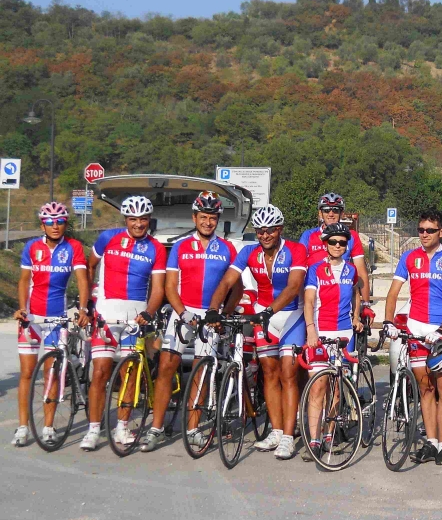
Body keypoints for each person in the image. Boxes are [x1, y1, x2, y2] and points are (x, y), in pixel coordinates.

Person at [209, 204, 308, 461]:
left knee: (288, 372)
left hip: (290, 315)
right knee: (268, 373)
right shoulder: (249, 253)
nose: (264, 235)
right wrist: (213, 309)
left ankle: (289, 436)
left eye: (270, 231)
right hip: (265, 316)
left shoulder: (296, 250)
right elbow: (228, 281)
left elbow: (295, 286)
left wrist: (269, 310)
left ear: (280, 230)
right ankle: (276, 430)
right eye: (260, 231)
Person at [141, 192, 238, 452]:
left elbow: (236, 288)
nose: (208, 222)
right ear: (194, 217)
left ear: (218, 220)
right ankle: (156, 428)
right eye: (203, 217)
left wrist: (223, 315)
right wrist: (183, 313)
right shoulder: (182, 246)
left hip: (211, 316)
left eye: (213, 218)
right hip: (182, 312)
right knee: (166, 368)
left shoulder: (228, 248)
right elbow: (170, 286)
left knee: (201, 372)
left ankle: (193, 428)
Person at [383, 209, 442, 468]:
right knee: (425, 389)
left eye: (430, 230)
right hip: (416, 330)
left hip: (441, 332)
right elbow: (393, 293)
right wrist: (388, 321)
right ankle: (431, 442)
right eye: (421, 230)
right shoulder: (409, 257)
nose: (424, 235)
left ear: (441, 232)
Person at [84, 196, 167, 451]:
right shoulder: (108, 237)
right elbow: (89, 266)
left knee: (129, 375)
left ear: (149, 220)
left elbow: (158, 288)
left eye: (143, 219)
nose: (139, 224)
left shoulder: (156, 248)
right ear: (125, 219)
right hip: (106, 315)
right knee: (99, 372)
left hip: (135, 318)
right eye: (133, 219)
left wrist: (150, 312)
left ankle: (122, 426)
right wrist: (88, 302)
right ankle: (94, 429)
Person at [11, 203, 89, 447]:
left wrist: (84, 309)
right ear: (42, 224)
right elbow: (24, 281)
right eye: (50, 222)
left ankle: (48, 426)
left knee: (51, 375)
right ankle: (23, 427)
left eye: (60, 221)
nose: (55, 226)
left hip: (57, 318)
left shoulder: (73, 247)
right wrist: (22, 307)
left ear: (66, 223)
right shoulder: (32, 247)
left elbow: (82, 280)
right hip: (32, 318)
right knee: (26, 374)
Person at [301, 222, 364, 459]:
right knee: (318, 387)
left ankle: (329, 435)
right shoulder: (315, 269)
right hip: (321, 333)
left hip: (344, 334)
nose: (338, 246)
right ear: (325, 244)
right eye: (333, 242)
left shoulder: (351, 270)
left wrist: (357, 317)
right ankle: (314, 440)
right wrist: (311, 330)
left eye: (342, 242)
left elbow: (357, 292)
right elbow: (309, 302)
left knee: (337, 389)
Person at [299, 192, 373, 323]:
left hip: (340, 299)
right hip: (313, 295)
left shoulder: (352, 236)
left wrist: (366, 304)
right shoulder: (308, 235)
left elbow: (361, 272)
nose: (331, 214)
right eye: (326, 210)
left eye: (335, 210)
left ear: (342, 213)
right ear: (320, 213)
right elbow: (298, 270)